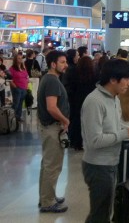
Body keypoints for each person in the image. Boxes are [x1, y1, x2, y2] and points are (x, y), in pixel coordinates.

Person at [81, 59, 129, 223]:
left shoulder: (114, 98)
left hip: (110, 162)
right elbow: (94, 140)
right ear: (113, 79)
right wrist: (125, 134)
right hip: (98, 166)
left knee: (105, 211)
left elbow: (114, 126)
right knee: (100, 214)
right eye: (127, 79)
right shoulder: (94, 102)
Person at [37, 50, 70, 213]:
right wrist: (65, 120)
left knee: (48, 164)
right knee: (52, 165)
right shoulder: (52, 81)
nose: (66, 65)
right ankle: (47, 202)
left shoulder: (49, 79)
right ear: (53, 64)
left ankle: (45, 196)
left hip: (48, 127)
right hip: (52, 127)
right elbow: (51, 107)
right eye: (62, 62)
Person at [69, 56, 98, 151]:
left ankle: (75, 142)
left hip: (76, 100)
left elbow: (71, 88)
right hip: (90, 100)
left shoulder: (74, 73)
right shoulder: (94, 74)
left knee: (76, 121)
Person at [9, 52, 29, 122]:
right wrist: (15, 86)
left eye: (21, 58)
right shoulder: (12, 69)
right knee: (16, 103)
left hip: (24, 88)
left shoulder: (23, 67)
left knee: (20, 103)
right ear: (15, 59)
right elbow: (9, 79)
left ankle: (18, 117)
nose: (20, 60)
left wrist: (27, 85)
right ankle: (11, 118)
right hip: (17, 88)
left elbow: (26, 76)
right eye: (18, 58)